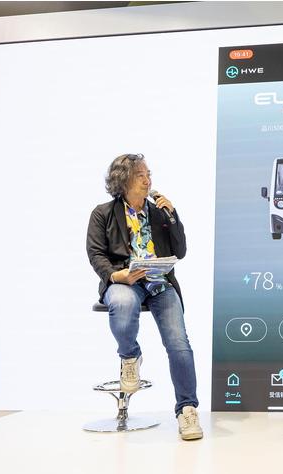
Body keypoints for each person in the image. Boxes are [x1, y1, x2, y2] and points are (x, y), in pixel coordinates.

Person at [86, 153, 203, 440]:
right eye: (140, 175)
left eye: (148, 174)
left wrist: (172, 217)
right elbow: (96, 253)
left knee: (179, 344)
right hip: (125, 281)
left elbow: (180, 251)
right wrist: (118, 276)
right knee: (122, 303)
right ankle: (130, 356)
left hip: (160, 283)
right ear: (123, 180)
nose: (147, 179)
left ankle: (187, 409)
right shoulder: (102, 213)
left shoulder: (160, 212)